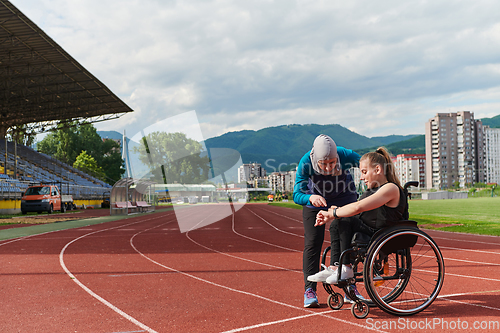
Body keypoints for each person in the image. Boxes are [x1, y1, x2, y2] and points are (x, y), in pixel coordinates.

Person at [312, 147, 406, 291]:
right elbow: (358, 209)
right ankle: (334, 267)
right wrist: (333, 212)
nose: (361, 177)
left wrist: (334, 213)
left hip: (381, 234)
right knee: (339, 221)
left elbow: (358, 208)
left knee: (343, 219)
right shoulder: (372, 190)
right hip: (371, 229)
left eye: (364, 172)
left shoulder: (390, 189)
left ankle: (346, 267)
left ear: (378, 170)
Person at [293, 134, 360, 308]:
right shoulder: (305, 163)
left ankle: (349, 286)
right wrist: (310, 198)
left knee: (349, 237)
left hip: (345, 197)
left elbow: (366, 163)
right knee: (313, 240)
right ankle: (310, 290)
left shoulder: (345, 155)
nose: (329, 167)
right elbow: (296, 194)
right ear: (315, 159)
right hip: (315, 200)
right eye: (324, 164)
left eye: (332, 162)